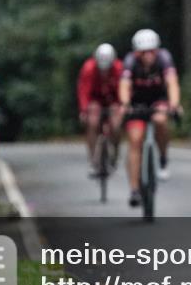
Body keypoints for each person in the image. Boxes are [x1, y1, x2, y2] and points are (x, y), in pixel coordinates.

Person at [119, 29, 183, 206]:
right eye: (143, 52)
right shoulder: (130, 61)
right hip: (137, 103)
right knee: (135, 139)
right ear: (136, 52)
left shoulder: (164, 58)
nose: (148, 55)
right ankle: (134, 189)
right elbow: (124, 84)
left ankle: (162, 158)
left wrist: (175, 103)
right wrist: (124, 104)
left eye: (151, 51)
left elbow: (172, 82)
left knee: (160, 120)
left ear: (157, 50)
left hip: (158, 100)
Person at [76, 43, 123, 178]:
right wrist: (84, 110)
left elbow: (123, 90)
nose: (104, 71)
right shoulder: (89, 68)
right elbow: (83, 91)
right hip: (95, 99)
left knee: (116, 124)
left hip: (113, 99)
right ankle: (93, 160)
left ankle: (115, 152)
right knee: (93, 122)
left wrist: (122, 107)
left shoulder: (119, 68)